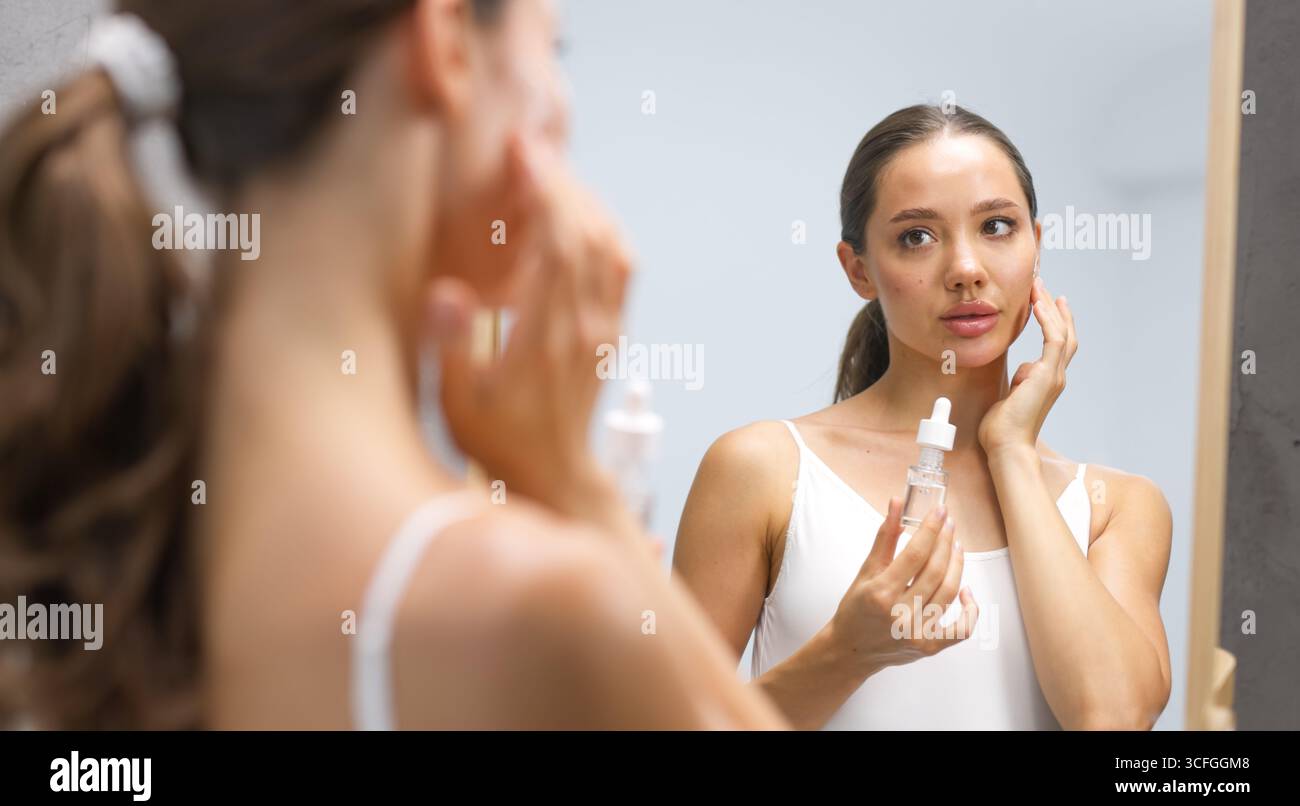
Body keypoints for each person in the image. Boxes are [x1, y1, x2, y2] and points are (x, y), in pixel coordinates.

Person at [0, 0, 786, 730]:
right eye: (553, 48)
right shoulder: (539, 613)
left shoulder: (121, 557)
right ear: (445, 43)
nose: (562, 106)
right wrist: (581, 494)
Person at [673, 105, 1173, 730]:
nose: (966, 269)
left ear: (1036, 247)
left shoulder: (1114, 508)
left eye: (996, 225)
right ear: (859, 269)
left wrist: (1010, 449)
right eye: (917, 236)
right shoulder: (764, 469)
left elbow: (1114, 720)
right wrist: (845, 652)